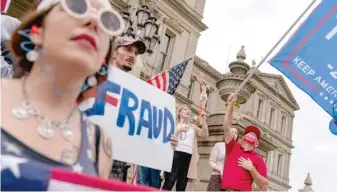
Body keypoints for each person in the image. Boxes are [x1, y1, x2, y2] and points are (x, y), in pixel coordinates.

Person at [1, 0, 125, 179]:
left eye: (108, 21)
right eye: (77, 6)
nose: (93, 21)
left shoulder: (99, 144)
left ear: (102, 61)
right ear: (37, 32)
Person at [108, 36, 146, 181]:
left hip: (118, 164)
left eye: (136, 53)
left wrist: (165, 142)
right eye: (128, 49)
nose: (133, 55)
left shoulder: (133, 94)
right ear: (113, 53)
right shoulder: (96, 76)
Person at [221, 93, 269, 191]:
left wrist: (252, 169)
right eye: (248, 132)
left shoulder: (258, 159)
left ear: (257, 144)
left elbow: (264, 186)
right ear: (242, 138)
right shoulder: (233, 147)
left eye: (254, 135)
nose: (251, 134)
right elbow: (227, 127)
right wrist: (231, 106)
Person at [162, 105, 209, 191]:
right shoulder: (173, 124)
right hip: (175, 154)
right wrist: (179, 130)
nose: (188, 111)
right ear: (179, 112)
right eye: (185, 109)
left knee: (182, 183)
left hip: (188, 156)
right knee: (170, 180)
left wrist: (204, 121)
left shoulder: (193, 127)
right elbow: (168, 139)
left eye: (189, 110)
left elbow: (204, 135)